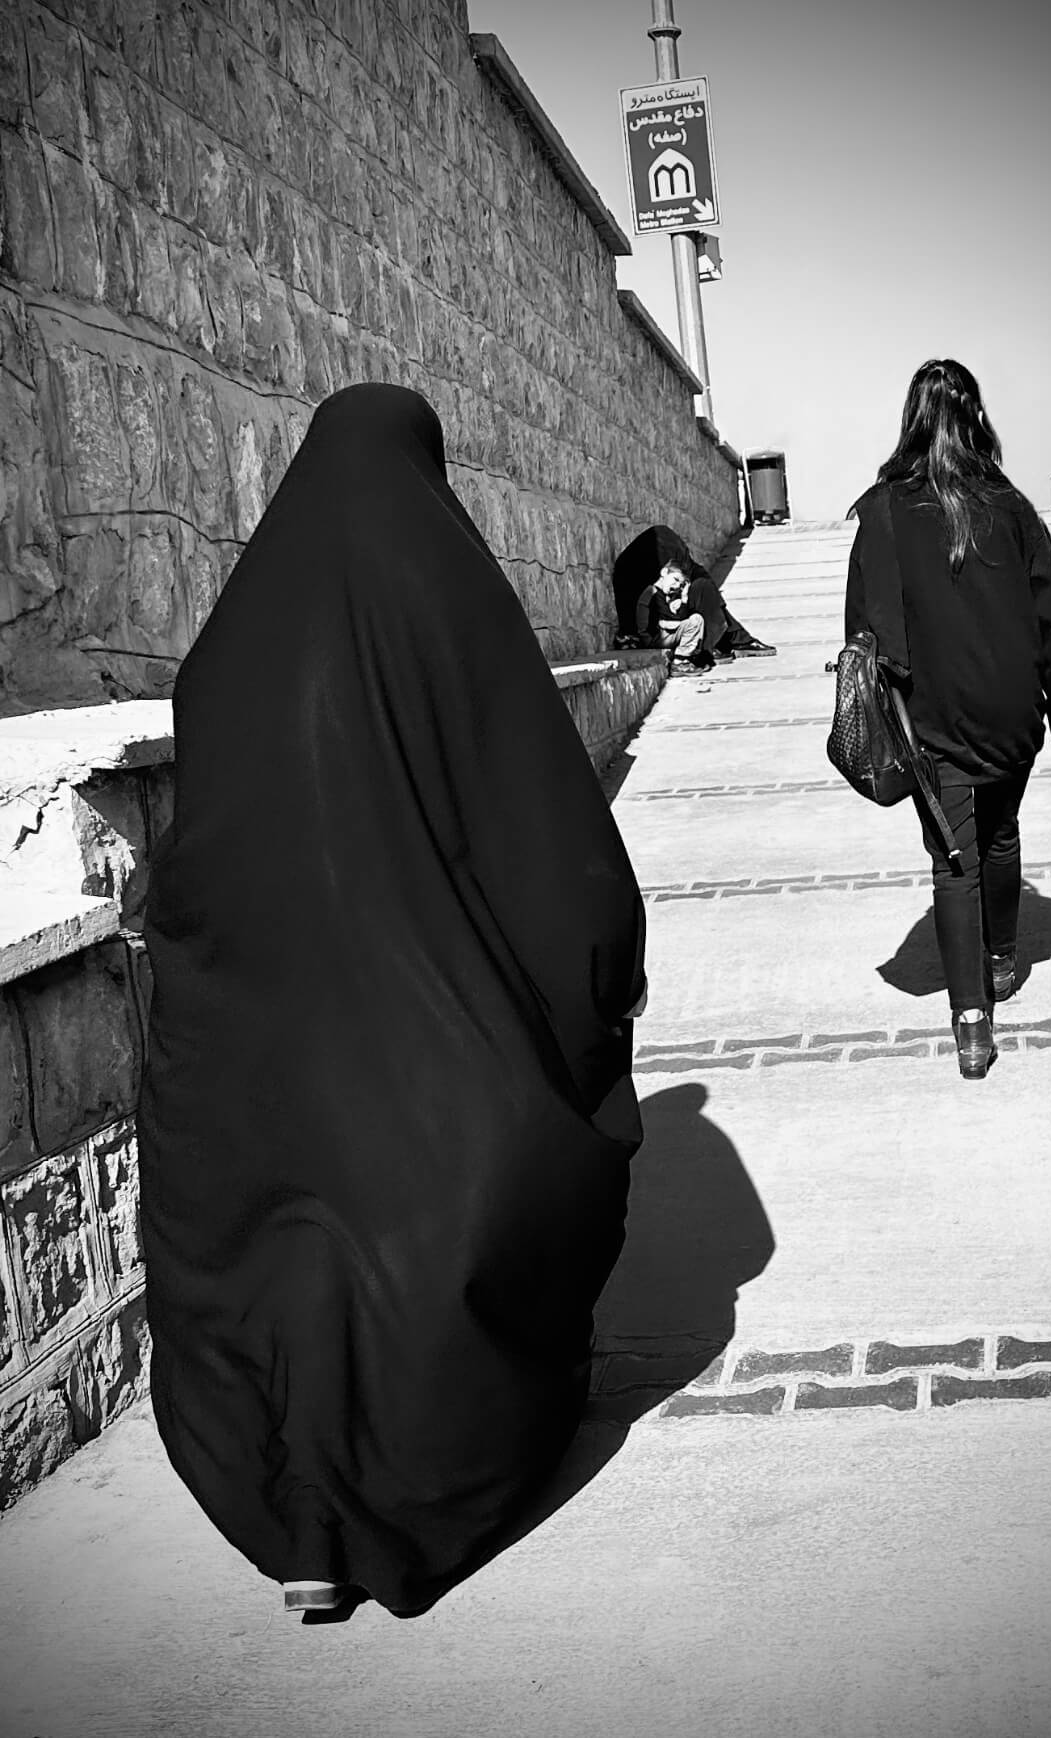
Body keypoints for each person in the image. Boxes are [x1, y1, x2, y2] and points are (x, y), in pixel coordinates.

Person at [138, 384, 648, 1620]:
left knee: (297, 1220)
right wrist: (599, 967)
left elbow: (196, 861)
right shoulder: (447, 596)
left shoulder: (233, 641)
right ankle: (389, 1489)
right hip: (429, 1048)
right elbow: (551, 836)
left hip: (266, 1039)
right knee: (434, 1185)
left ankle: (307, 1519)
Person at [844, 358, 1051, 1080]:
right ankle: (1003, 959)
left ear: (912, 420)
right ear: (976, 418)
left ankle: (971, 1024)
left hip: (932, 720)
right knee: (1001, 832)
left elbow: (864, 631)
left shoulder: (883, 511)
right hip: (1012, 713)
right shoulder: (1011, 508)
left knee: (954, 860)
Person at [611, 525, 776, 660]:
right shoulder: (639, 582)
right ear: (663, 571)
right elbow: (657, 621)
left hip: (671, 609)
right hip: (656, 629)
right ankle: (725, 640)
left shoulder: (669, 560)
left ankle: (729, 638)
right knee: (698, 589)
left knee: (702, 583)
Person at [634, 557, 708, 671]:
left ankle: (690, 656)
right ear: (664, 572)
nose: (677, 586)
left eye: (681, 584)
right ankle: (679, 661)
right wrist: (683, 600)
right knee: (695, 621)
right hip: (653, 639)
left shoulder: (664, 595)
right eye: (676, 579)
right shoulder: (653, 593)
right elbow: (675, 618)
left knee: (696, 618)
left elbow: (678, 618)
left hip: (662, 634)